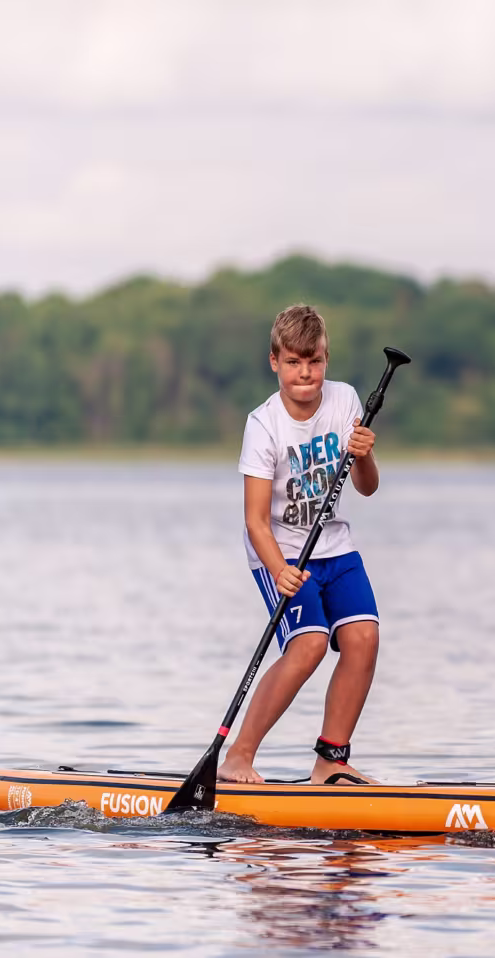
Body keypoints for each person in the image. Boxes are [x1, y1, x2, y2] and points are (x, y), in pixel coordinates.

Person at [217, 303, 382, 786]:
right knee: (309, 644)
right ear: (275, 362)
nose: (305, 373)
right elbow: (255, 521)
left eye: (314, 361)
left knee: (363, 638)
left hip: (336, 547)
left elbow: (367, 487)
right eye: (293, 362)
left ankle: (331, 760)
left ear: (326, 359)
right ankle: (238, 757)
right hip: (280, 552)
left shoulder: (345, 400)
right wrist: (279, 569)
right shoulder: (263, 424)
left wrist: (364, 456)